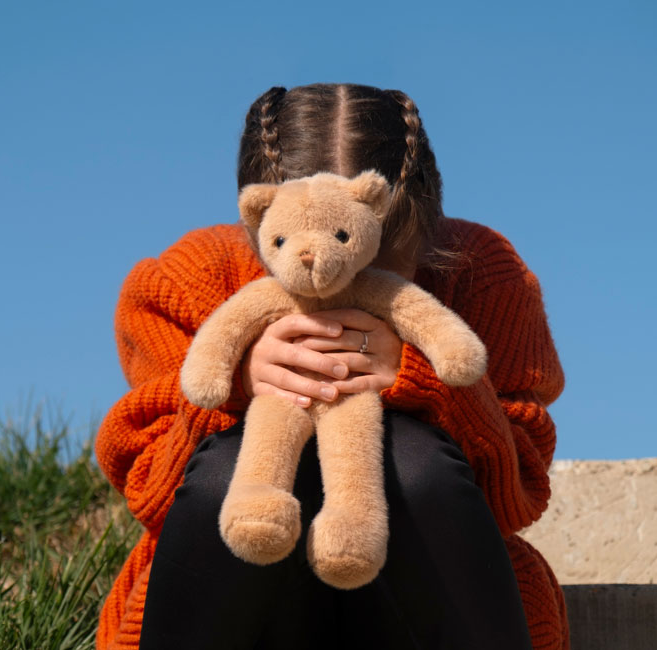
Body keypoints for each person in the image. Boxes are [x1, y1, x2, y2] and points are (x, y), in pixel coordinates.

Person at [95, 83, 568, 650]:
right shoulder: (189, 280)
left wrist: (432, 382)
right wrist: (237, 387)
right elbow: (151, 493)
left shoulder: (481, 271)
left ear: (422, 219)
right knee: (226, 473)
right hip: (247, 606)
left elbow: (518, 494)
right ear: (261, 219)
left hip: (420, 600)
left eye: (377, 253)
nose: (337, 276)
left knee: (415, 464)